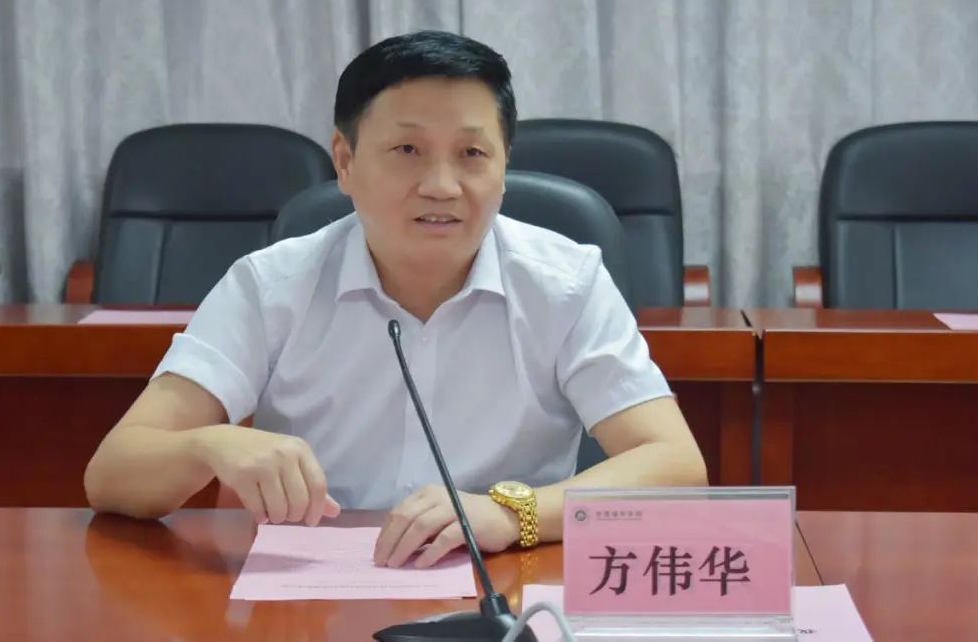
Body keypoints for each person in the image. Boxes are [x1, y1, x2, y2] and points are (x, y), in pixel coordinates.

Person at [84, 30, 706, 569]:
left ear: (503, 165)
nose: (442, 185)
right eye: (408, 150)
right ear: (345, 161)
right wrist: (209, 444)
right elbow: (110, 474)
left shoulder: (566, 283)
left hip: (505, 585)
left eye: (472, 154)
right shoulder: (270, 285)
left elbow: (676, 466)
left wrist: (510, 513)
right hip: (312, 597)